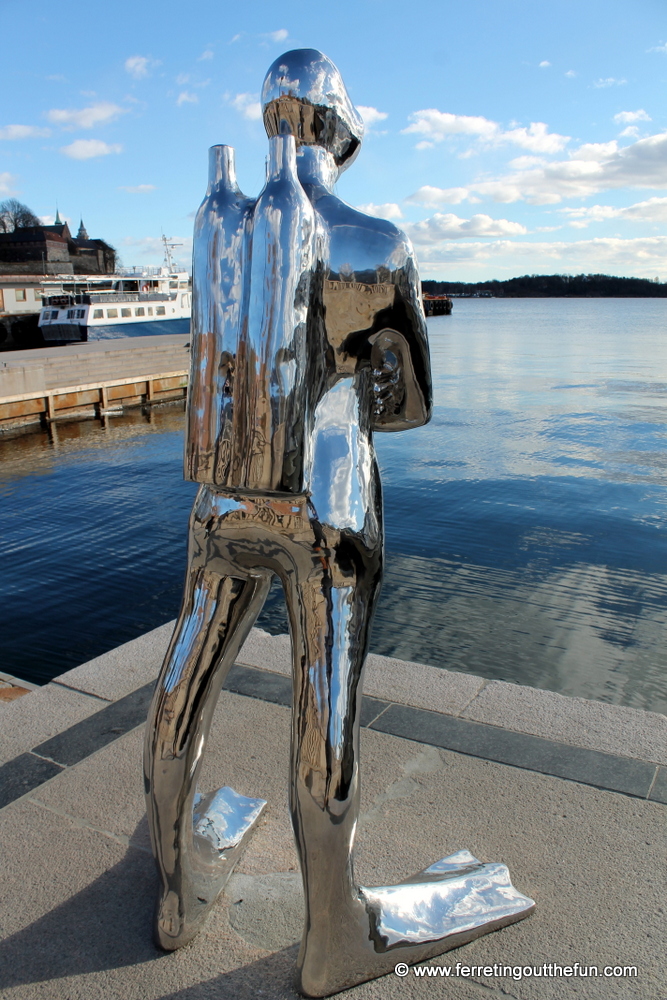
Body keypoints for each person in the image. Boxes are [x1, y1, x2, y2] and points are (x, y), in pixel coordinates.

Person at [144, 48, 532, 998]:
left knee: (187, 667)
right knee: (325, 698)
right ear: (337, 127)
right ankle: (334, 934)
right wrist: (358, 378)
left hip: (221, 496)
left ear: (273, 120)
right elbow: (412, 406)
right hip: (327, 499)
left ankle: (172, 886)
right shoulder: (376, 240)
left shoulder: (222, 227)